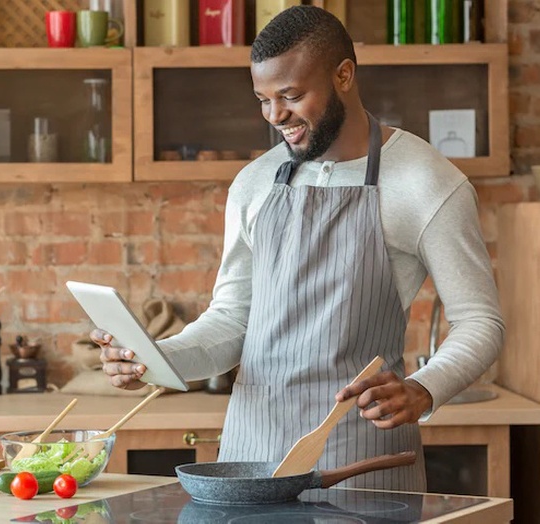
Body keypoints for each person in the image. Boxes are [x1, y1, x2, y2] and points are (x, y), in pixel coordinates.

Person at [92, 5, 504, 491]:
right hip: (249, 462)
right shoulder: (254, 182)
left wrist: (423, 389)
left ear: (344, 75)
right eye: (263, 99)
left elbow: (480, 321)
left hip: (358, 461)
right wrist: (156, 360)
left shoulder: (425, 183)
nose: (274, 116)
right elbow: (231, 320)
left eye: (291, 96)